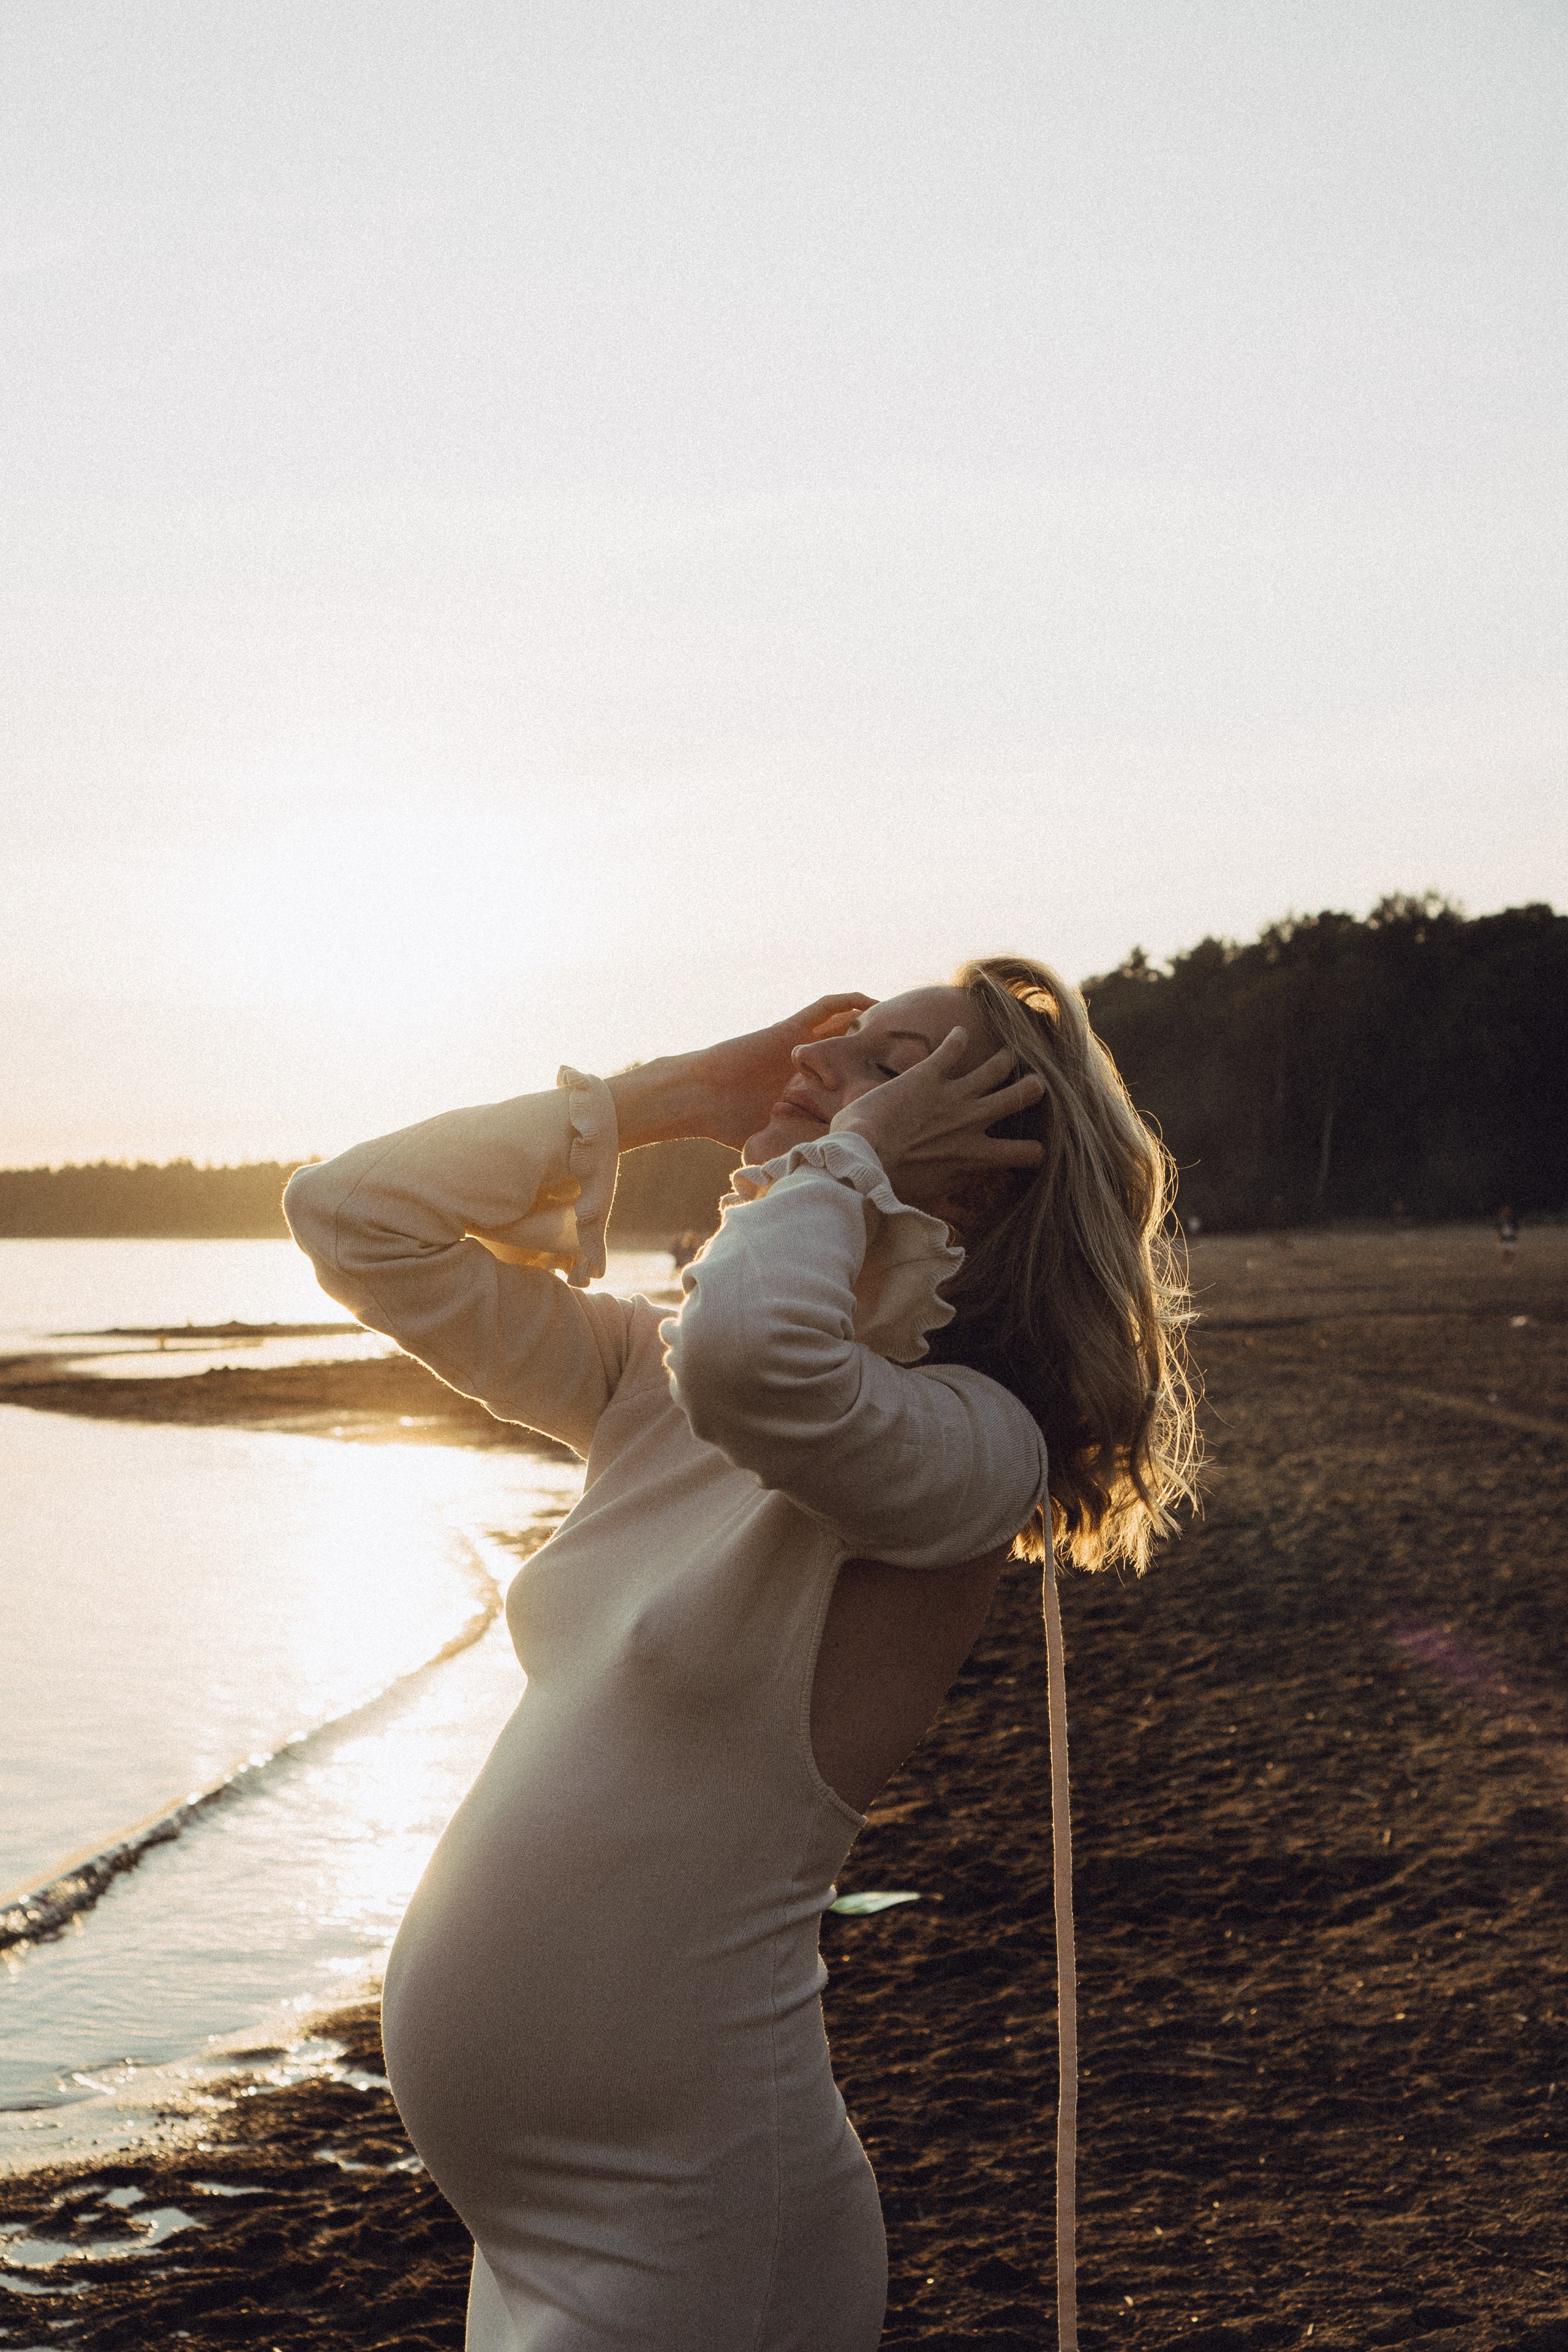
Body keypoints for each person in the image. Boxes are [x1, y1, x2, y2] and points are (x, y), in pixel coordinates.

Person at [284, 956, 1197, 2352]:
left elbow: (759, 1363)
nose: (816, 1071)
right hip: (524, 2233)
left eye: (888, 1065)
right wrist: (669, 1096)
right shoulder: (649, 1383)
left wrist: (842, 1158)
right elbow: (352, 1215)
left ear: (985, 1177)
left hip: (690, 2223)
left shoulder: (971, 1448)